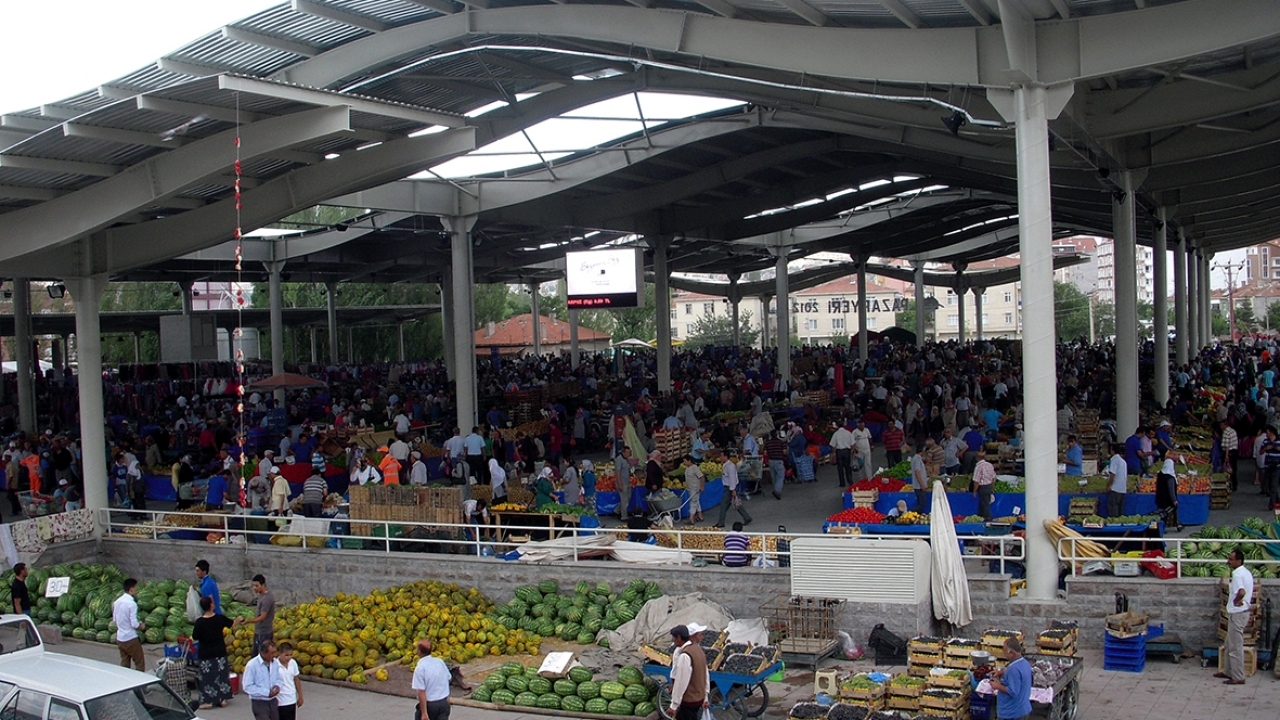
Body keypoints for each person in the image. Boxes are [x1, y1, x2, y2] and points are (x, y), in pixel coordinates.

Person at [1217, 548, 1253, 685]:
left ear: (1239, 561)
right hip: (1241, 613)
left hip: (1238, 614)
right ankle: (1227, 670)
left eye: (1231, 559)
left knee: (1235, 647)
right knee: (1228, 643)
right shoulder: (1246, 572)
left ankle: (1238, 676)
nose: (1228, 561)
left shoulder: (1237, 575)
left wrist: (1236, 601)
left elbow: (1241, 592)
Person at [191, 595, 234, 709]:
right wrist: (239, 620)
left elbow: (195, 636)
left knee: (207, 678)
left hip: (206, 654)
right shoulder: (219, 618)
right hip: (219, 652)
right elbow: (231, 623)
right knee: (221, 676)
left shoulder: (199, 622)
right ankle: (222, 699)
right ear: (211, 605)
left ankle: (208, 701)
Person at [666, 625, 709, 720]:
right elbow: (705, 675)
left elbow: (681, 682)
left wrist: (674, 705)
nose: (672, 640)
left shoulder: (685, 655)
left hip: (689, 700)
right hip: (699, 697)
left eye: (673, 637)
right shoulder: (698, 649)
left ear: (679, 638)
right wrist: (705, 696)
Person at [990, 638, 1032, 719]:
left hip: (1012, 713)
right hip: (1023, 709)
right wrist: (1003, 672)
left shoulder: (1013, 670)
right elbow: (1019, 676)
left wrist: (997, 686)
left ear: (1012, 653)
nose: (1003, 652)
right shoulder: (1025, 663)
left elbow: (1013, 691)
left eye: (1004, 650)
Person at [235, 574, 276, 656]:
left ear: (263, 585)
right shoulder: (261, 596)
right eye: (253, 586)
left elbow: (262, 617)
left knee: (262, 656)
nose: (254, 588)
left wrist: (248, 621)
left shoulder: (266, 599)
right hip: (259, 631)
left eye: (257, 586)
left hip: (264, 632)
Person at [411, 639, 451, 720]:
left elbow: (421, 692)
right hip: (444, 704)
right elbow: (449, 678)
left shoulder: (420, 668)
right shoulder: (439, 662)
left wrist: (424, 713)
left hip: (431, 706)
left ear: (419, 651)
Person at [113, 577, 146, 671]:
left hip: (120, 638)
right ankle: (140, 683)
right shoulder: (132, 604)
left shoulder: (117, 602)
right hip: (130, 638)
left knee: (125, 663)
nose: (137, 590)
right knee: (139, 663)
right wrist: (141, 626)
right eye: (136, 588)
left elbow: (115, 620)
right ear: (131, 589)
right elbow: (134, 624)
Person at [243, 639, 282, 720]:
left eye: (275, 652)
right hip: (260, 702)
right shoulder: (252, 665)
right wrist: (267, 693)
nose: (274, 655)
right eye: (272, 653)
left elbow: (278, 678)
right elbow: (247, 686)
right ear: (263, 653)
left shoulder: (275, 663)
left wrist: (278, 686)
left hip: (273, 701)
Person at [716, 449, 752, 528]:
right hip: (730, 488)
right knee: (736, 504)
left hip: (730, 488)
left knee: (724, 505)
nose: (720, 457)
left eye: (721, 456)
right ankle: (747, 517)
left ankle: (721, 522)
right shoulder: (727, 465)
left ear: (726, 456)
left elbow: (732, 479)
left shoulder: (730, 466)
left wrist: (733, 490)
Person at [276, 642, 303, 720]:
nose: (289, 658)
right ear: (280, 654)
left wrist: (300, 696)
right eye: (286, 655)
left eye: (291, 655)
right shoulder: (274, 665)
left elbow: (296, 679)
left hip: (291, 699)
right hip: (279, 701)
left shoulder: (293, 663)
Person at [1155, 458, 1182, 531]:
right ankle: (1176, 525)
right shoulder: (1170, 478)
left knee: (1163, 514)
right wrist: (1174, 500)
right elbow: (1171, 490)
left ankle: (1174, 525)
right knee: (1168, 513)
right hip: (1168, 500)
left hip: (1161, 498)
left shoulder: (1160, 475)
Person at [972, 448, 996, 522]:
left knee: (985, 504)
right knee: (983, 503)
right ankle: (980, 516)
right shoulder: (989, 465)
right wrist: (991, 486)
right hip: (989, 486)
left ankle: (988, 518)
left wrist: (974, 491)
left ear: (976, 458)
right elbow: (993, 477)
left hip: (983, 487)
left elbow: (976, 481)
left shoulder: (978, 467)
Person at [1104, 443, 1128, 518]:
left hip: (1115, 489)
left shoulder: (1114, 460)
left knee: (1113, 511)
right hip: (1123, 489)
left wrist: (1109, 486)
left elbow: (1112, 475)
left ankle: (1114, 526)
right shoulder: (1123, 461)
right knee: (1120, 511)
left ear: (1112, 451)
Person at [764, 430, 788, 501]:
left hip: (771, 461)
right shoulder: (781, 442)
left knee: (774, 477)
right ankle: (777, 491)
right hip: (779, 460)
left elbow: (765, 453)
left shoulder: (767, 443)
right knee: (780, 477)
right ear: (777, 435)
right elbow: (784, 452)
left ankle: (776, 489)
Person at [682, 456, 705, 526]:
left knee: (693, 502)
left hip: (695, 489)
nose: (684, 463)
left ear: (689, 461)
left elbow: (702, 477)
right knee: (696, 501)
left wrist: (702, 487)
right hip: (690, 488)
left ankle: (691, 518)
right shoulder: (688, 468)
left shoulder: (694, 468)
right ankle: (700, 516)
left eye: (685, 461)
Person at [830, 422, 855, 488]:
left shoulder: (836, 434)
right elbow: (853, 443)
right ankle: (850, 481)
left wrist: (833, 453)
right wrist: (853, 451)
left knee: (840, 468)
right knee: (848, 467)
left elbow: (833, 445)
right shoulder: (848, 433)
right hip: (847, 451)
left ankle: (842, 483)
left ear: (838, 426)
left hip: (839, 452)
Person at [907, 442, 928, 512]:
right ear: (923, 450)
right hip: (919, 486)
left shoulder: (916, 458)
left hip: (918, 486)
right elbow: (917, 472)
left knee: (920, 503)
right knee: (921, 504)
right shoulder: (917, 459)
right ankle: (911, 513)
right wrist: (922, 485)